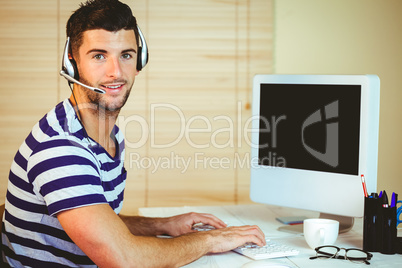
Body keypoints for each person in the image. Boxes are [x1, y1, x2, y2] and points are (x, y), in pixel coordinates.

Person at [1, 0, 265, 267]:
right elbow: (125, 259)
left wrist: (163, 225)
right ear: (72, 62)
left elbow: (98, 220)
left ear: (140, 61)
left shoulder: (110, 135)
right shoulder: (60, 149)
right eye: (99, 56)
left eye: (126, 55)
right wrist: (212, 241)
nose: (116, 72)